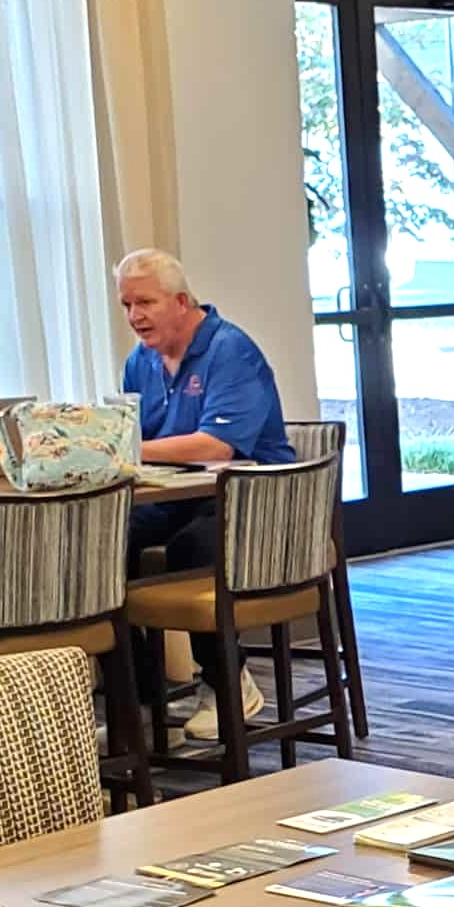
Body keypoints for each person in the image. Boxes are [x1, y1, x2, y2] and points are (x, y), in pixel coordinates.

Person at [116, 248, 295, 740]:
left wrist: (127, 450)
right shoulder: (140, 362)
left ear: (180, 301)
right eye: (127, 305)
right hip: (177, 495)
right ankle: (138, 703)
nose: (134, 316)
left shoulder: (230, 350)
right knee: (103, 543)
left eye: (145, 303)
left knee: (192, 548)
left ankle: (227, 683)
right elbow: (127, 435)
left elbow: (217, 446)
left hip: (255, 500)